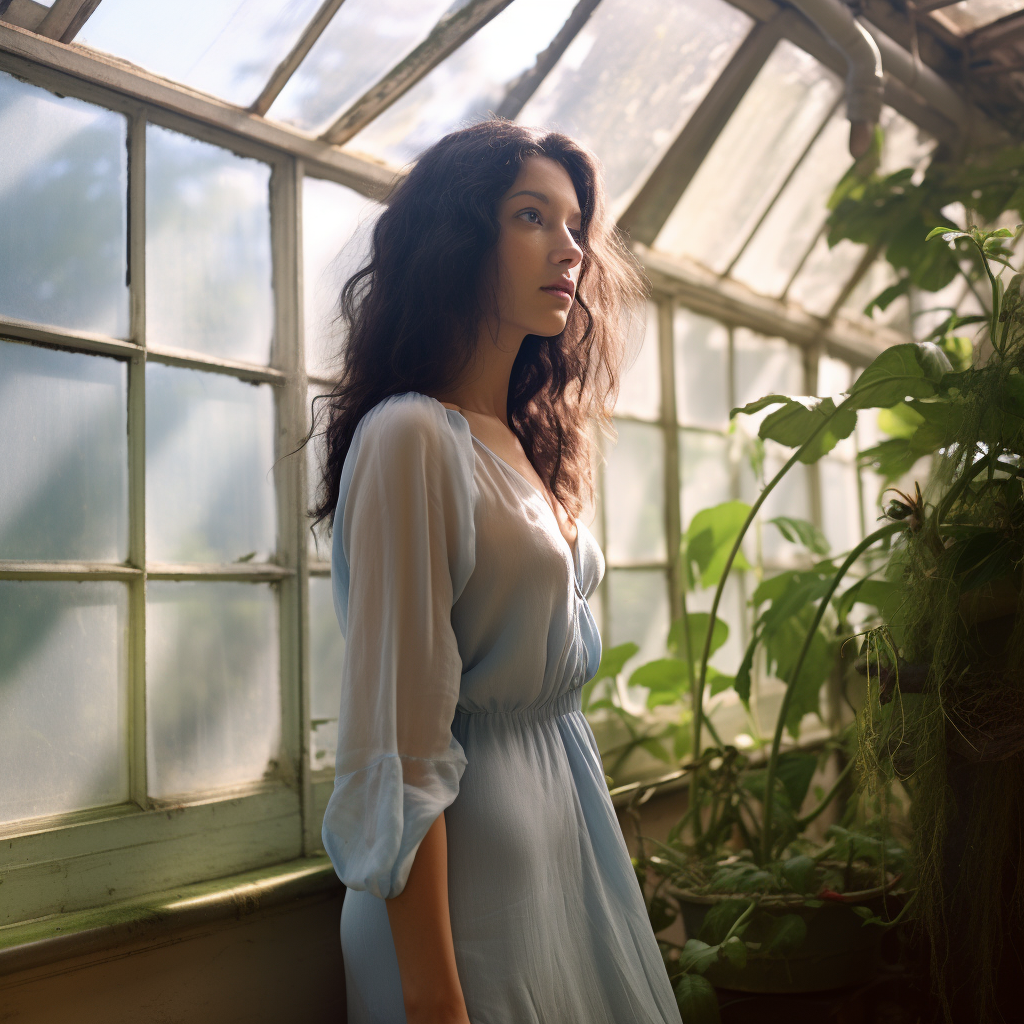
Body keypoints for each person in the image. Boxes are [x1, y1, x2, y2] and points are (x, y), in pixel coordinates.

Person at [309, 119, 682, 1024]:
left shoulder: (523, 441)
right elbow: (399, 748)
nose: (569, 249)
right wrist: (435, 996)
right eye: (531, 217)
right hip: (460, 911)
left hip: (564, 864)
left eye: (574, 225)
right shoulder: (409, 437)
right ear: (458, 239)